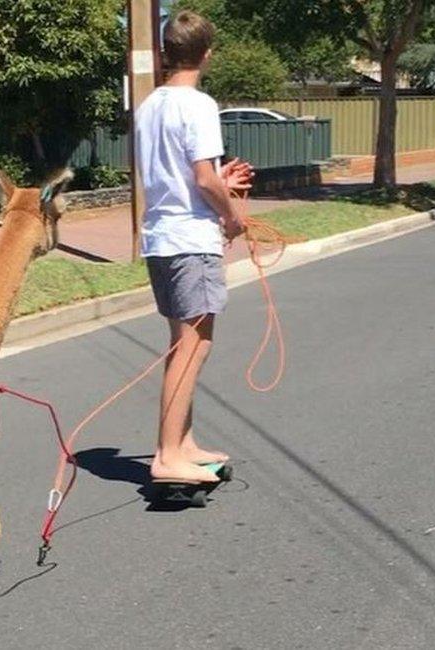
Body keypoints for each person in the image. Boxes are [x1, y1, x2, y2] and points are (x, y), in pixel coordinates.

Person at [134, 10, 253, 484]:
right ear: (207, 53)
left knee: (179, 342)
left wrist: (218, 185)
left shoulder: (149, 106)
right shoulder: (199, 105)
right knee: (195, 345)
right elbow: (203, 178)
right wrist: (232, 213)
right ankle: (167, 456)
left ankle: (182, 442)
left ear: (167, 52)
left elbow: (177, 177)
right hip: (191, 239)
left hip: (161, 236)